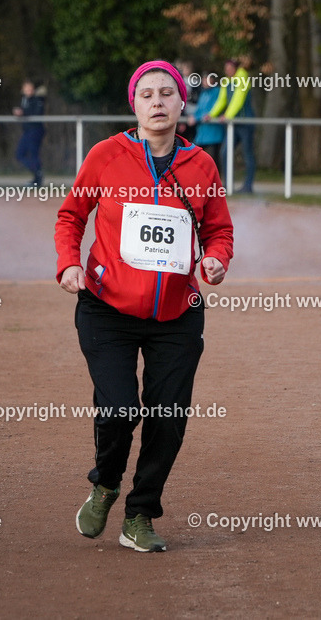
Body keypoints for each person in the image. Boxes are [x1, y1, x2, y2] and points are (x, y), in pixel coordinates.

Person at [55, 60, 234, 553]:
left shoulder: (201, 165)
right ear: (133, 105)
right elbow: (71, 215)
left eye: (166, 94)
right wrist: (69, 264)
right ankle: (106, 482)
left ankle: (140, 515)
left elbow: (219, 229)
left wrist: (216, 261)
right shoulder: (106, 156)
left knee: (168, 417)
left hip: (177, 313)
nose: (157, 102)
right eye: (147, 94)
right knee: (117, 408)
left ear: (181, 104)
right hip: (106, 307)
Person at [208, 59, 256, 193]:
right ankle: (227, 184)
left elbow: (238, 99)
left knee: (247, 154)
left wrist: (228, 115)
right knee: (225, 152)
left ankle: (248, 186)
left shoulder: (242, 78)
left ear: (235, 68)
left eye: (229, 67)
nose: (227, 70)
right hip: (233, 124)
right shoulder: (226, 82)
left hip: (245, 122)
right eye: (226, 67)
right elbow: (222, 100)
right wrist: (211, 114)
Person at [12, 80, 46, 186]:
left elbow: (37, 113)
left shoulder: (37, 99)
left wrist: (23, 113)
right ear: (23, 90)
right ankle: (37, 173)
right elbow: (22, 110)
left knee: (33, 154)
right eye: (26, 89)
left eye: (30, 88)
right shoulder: (24, 100)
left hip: (35, 130)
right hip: (27, 131)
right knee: (19, 154)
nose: (29, 91)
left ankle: (38, 177)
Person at [191, 72, 223, 168]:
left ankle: (217, 180)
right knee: (196, 155)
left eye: (207, 79)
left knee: (215, 158)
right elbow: (199, 109)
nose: (205, 82)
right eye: (204, 79)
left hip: (214, 131)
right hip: (202, 131)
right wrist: (193, 116)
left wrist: (196, 118)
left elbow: (210, 110)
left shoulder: (217, 92)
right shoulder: (203, 93)